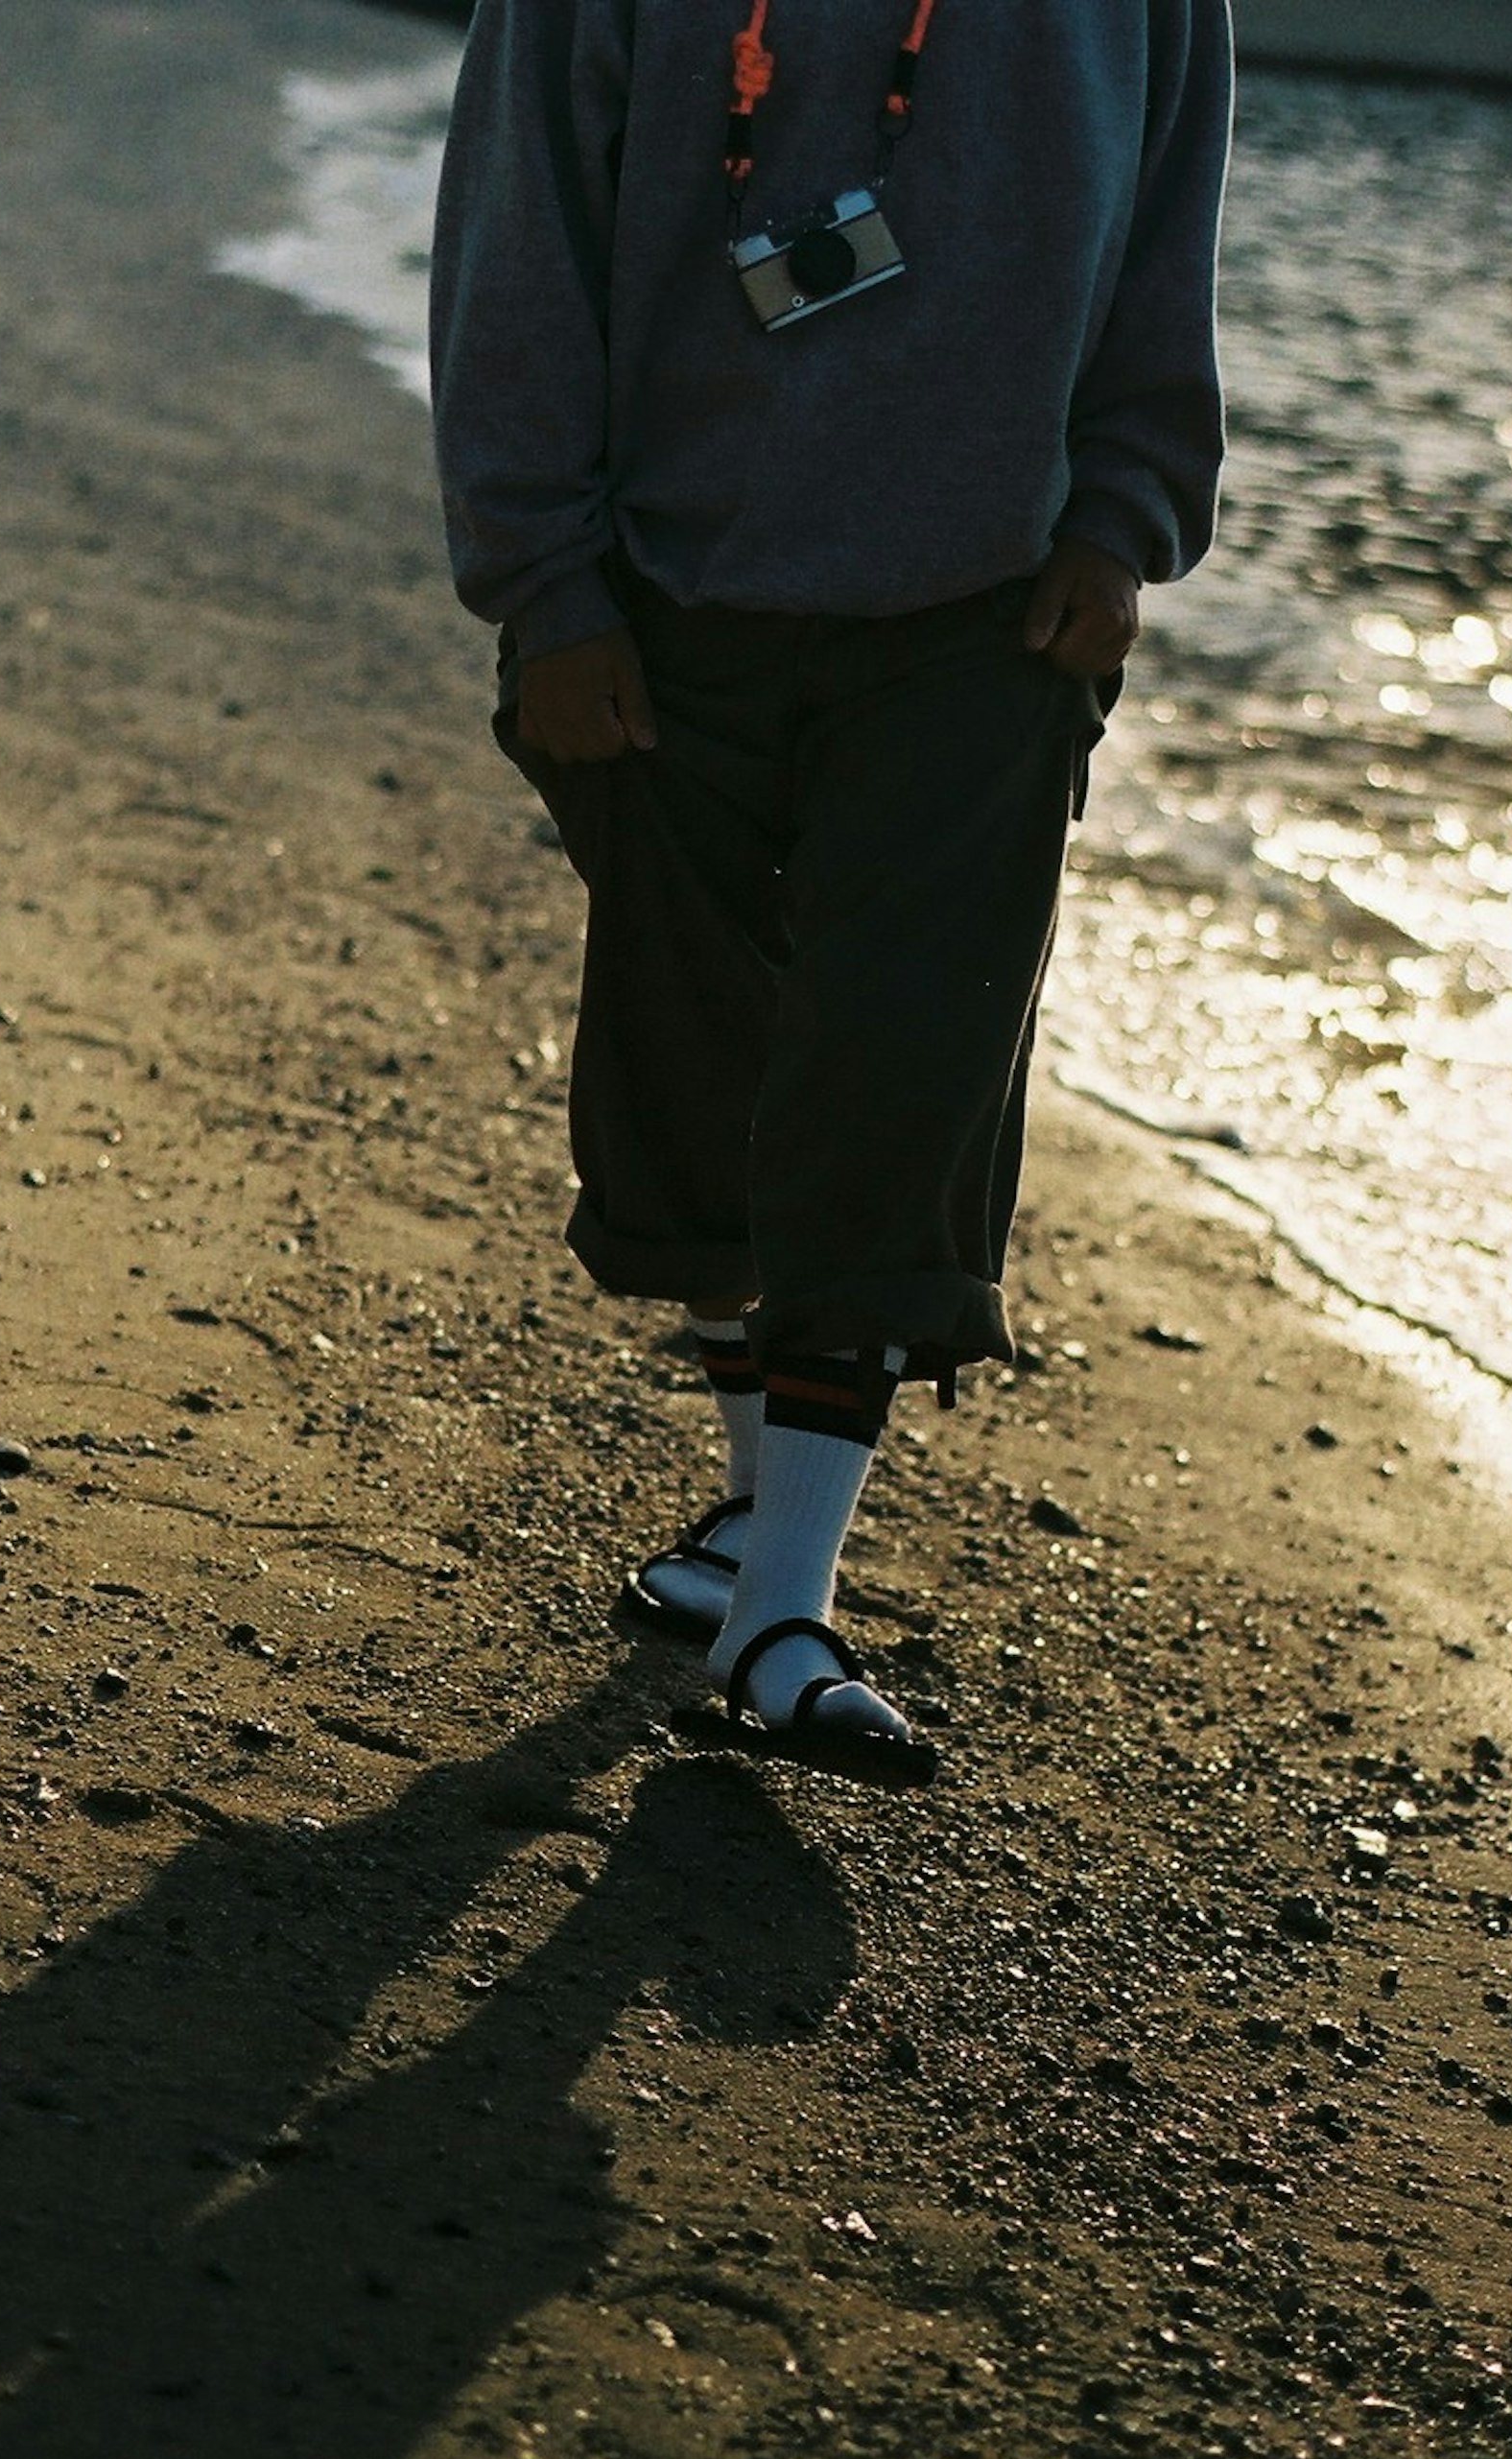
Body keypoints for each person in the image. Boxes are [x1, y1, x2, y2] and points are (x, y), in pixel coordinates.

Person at [430, 0, 1232, 1785]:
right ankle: (749, 1521)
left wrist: (1124, 517)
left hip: (993, 612)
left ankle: (785, 1603)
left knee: (903, 1070)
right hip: (658, 600)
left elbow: (1171, 229)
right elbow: (517, 233)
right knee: (696, 1074)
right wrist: (543, 582)